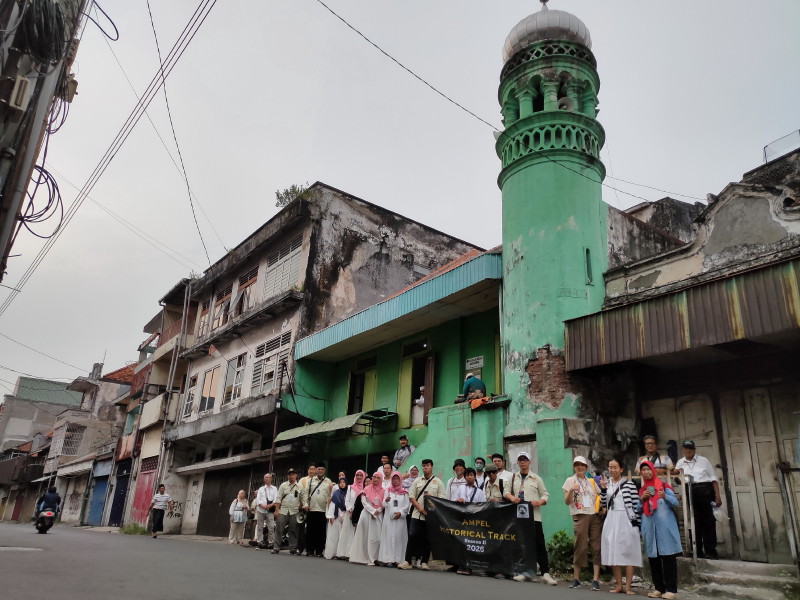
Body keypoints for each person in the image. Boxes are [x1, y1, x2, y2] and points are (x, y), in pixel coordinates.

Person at [505, 451, 557, 585]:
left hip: (534, 517)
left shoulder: (536, 478)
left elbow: (545, 495)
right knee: (521, 545)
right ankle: (524, 572)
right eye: (520, 460)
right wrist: (512, 498)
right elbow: (505, 492)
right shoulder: (512, 478)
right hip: (518, 517)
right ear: (517, 462)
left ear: (529, 462)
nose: (523, 462)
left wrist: (539, 502)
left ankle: (545, 573)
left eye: (525, 460)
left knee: (539, 544)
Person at [639, 461, 681, 600]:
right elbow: (638, 509)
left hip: (665, 529)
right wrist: (642, 499)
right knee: (654, 559)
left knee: (668, 558)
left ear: (653, 470)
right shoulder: (642, 489)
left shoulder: (663, 486)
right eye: (643, 470)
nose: (646, 472)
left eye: (648, 469)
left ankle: (671, 590)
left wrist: (664, 496)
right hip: (650, 529)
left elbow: (675, 502)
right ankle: (658, 588)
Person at [600, 459, 642, 595]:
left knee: (629, 551)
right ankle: (618, 585)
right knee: (613, 551)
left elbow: (636, 504)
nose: (612, 470)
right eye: (610, 467)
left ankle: (628, 586)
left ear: (621, 469)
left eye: (615, 467)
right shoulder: (606, 484)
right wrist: (603, 490)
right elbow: (603, 504)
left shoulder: (629, 484)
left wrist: (637, 524)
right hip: (611, 518)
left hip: (626, 519)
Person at [674, 440, 721, 560]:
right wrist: (676, 475)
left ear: (694, 449)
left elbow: (713, 478)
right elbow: (678, 481)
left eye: (690, 448)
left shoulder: (703, 461)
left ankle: (710, 551)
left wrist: (717, 496)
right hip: (689, 491)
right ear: (682, 450)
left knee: (709, 522)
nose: (687, 450)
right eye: (685, 448)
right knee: (695, 522)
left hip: (705, 490)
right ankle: (697, 550)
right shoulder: (680, 462)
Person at [563, 456, 603, 591]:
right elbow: (567, 501)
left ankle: (596, 579)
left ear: (586, 467)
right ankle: (576, 578)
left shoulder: (591, 481)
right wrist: (571, 490)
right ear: (574, 467)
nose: (579, 467)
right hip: (580, 515)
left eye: (582, 465)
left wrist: (602, 508)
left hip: (594, 516)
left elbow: (598, 496)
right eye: (577, 465)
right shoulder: (570, 480)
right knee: (580, 546)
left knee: (596, 546)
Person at [398, 458, 444, 570]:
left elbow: (442, 499)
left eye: (427, 465)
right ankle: (407, 561)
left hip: (431, 516)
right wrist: (420, 508)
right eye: (423, 466)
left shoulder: (438, 482)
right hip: (416, 514)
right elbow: (411, 496)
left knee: (427, 538)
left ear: (432, 467)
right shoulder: (417, 481)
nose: (425, 467)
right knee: (413, 536)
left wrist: (431, 509)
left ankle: (424, 562)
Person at [452, 468, 485, 575]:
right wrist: (459, 500)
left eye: (471, 475)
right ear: (465, 477)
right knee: (462, 542)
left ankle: (469, 566)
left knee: (471, 543)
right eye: (467, 475)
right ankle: (461, 564)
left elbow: (482, 506)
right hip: (462, 518)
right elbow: (454, 501)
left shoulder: (479, 491)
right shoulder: (460, 488)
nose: (469, 477)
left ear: (474, 476)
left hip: (473, 520)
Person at [349, 472, 385, 565]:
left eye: (378, 477)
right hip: (367, 515)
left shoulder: (383, 491)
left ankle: (374, 557)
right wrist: (373, 511)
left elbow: (383, 504)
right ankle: (364, 557)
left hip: (378, 516)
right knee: (365, 536)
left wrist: (378, 511)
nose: (376, 479)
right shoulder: (366, 489)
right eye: (374, 477)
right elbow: (364, 502)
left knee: (377, 537)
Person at [378, 472, 410, 566]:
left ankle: (398, 559)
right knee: (388, 537)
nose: (395, 481)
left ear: (400, 480)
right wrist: (386, 501)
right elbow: (383, 504)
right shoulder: (387, 491)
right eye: (394, 479)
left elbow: (406, 506)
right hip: (389, 518)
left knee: (399, 538)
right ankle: (388, 559)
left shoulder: (404, 492)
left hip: (399, 519)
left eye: (397, 479)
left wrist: (400, 513)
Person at [273, 468, 307, 554]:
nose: (291, 476)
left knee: (293, 530)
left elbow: (304, 498)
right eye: (289, 474)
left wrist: (304, 505)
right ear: (287, 476)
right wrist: (276, 510)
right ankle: (276, 548)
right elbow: (278, 498)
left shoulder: (300, 486)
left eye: (293, 474)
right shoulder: (283, 485)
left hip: (294, 511)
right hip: (283, 510)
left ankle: (293, 548)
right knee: (279, 529)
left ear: (296, 475)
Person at [336, 470, 365, 559]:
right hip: (350, 513)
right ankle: (343, 553)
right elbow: (347, 500)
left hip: (360, 514)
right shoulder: (350, 488)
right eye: (357, 475)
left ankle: (353, 553)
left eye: (361, 475)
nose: (359, 477)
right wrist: (350, 510)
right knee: (347, 532)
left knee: (357, 534)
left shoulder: (365, 488)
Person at [306, 464, 333, 557]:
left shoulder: (328, 481)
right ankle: (309, 550)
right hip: (312, 509)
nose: (320, 470)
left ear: (324, 470)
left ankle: (319, 550)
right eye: (319, 469)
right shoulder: (310, 481)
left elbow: (330, 494)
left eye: (322, 469)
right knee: (310, 530)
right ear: (316, 470)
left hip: (322, 510)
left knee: (321, 531)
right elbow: (306, 493)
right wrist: (306, 504)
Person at [324, 477, 349, 559]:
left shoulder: (348, 493)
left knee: (343, 536)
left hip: (345, 516)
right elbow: (332, 505)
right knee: (335, 536)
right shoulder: (336, 494)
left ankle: (342, 553)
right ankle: (333, 553)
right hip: (336, 516)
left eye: (343, 482)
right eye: (340, 482)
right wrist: (331, 516)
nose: (342, 483)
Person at [297, 464, 317, 554]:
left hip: (314, 508)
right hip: (303, 507)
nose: (311, 471)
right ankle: (299, 548)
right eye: (310, 469)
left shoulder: (318, 480)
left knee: (311, 529)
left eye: (313, 469)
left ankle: (310, 549)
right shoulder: (303, 480)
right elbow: (298, 492)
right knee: (301, 528)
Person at [255, 473, 278, 549]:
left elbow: (276, 499)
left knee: (271, 526)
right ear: (264, 479)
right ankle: (259, 542)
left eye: (269, 477)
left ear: (271, 478)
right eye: (266, 477)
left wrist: (270, 505)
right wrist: (263, 505)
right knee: (260, 526)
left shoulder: (274, 488)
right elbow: (258, 499)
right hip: (261, 510)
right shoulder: (261, 489)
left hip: (270, 510)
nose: (267, 478)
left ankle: (271, 543)